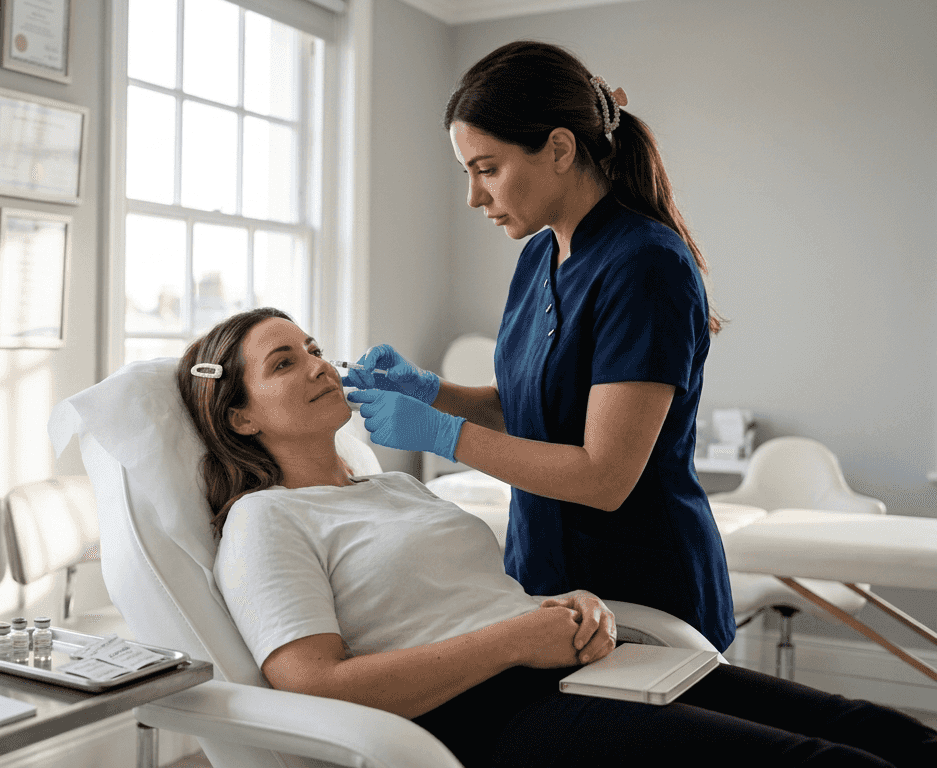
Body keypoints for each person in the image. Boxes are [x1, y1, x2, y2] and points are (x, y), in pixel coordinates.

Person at [177, 307, 935, 767]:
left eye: (311, 346)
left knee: (876, 730)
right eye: (284, 362)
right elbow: (313, 683)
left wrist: (566, 608)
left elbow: (467, 600)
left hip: (567, 669)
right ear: (241, 417)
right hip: (483, 716)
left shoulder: (393, 486)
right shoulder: (264, 519)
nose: (316, 364)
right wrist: (513, 642)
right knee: (828, 763)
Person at [345, 40, 735, 652]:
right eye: (468, 172)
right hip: (544, 583)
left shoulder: (645, 265)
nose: (475, 197)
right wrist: (431, 393)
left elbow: (605, 476)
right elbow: (535, 412)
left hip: (644, 594)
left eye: (488, 168)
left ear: (559, 148)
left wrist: (441, 436)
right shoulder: (539, 255)